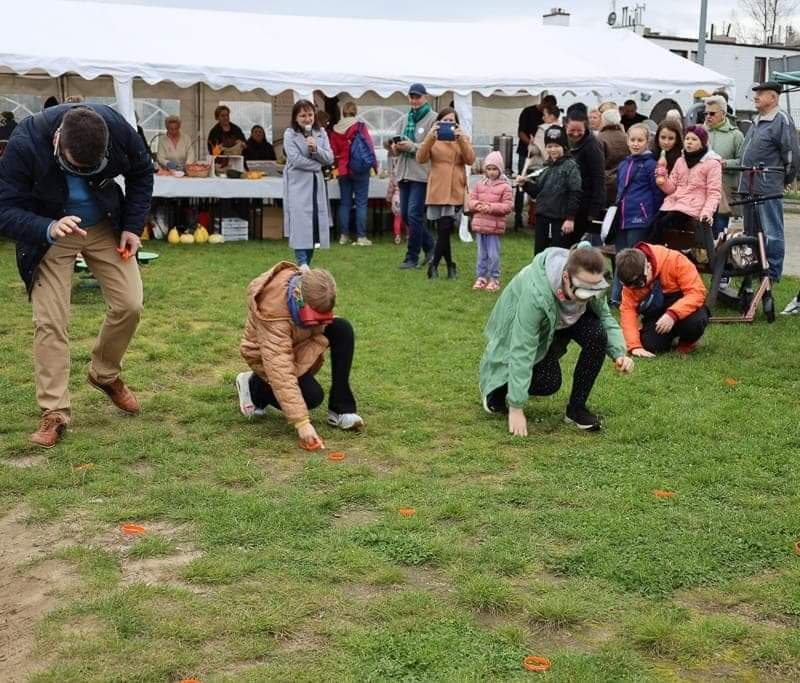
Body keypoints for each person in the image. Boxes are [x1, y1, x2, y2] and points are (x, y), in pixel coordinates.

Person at [0, 103, 153, 447]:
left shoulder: (116, 127)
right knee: (51, 320)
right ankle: (54, 411)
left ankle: (104, 373)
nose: (81, 173)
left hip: (102, 225)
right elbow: (4, 208)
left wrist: (131, 225)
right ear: (57, 141)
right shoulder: (25, 142)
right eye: (73, 166)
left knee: (130, 303)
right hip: (50, 230)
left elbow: (142, 172)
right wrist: (49, 227)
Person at [479, 242, 633, 434]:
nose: (589, 297)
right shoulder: (535, 294)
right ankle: (500, 389)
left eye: (594, 290)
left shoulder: (591, 280)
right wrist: (516, 407)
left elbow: (605, 317)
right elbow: (522, 347)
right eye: (583, 290)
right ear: (566, 277)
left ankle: (576, 409)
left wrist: (619, 353)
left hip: (564, 319)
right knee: (548, 382)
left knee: (597, 335)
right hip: (530, 322)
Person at [236, 261, 363, 449]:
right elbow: (280, 370)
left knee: (342, 329)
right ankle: (253, 387)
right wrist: (301, 423)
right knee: (312, 397)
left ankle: (341, 409)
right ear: (297, 296)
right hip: (265, 356)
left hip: (298, 342)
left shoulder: (307, 289)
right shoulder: (273, 314)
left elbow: (322, 323)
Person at [738, 81, 800, 282]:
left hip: (768, 186)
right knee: (751, 232)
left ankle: (772, 275)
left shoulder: (781, 119)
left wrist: (785, 178)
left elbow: (791, 153)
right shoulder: (757, 119)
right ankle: (753, 271)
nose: (756, 97)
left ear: (773, 98)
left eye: (761, 93)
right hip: (749, 185)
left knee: (772, 233)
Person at [616, 243, 709, 356]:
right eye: (628, 285)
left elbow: (697, 292)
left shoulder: (676, 260)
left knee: (696, 321)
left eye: (638, 283)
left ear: (648, 267)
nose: (634, 288)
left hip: (683, 309)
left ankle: (687, 343)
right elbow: (627, 311)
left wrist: (672, 314)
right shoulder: (631, 281)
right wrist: (634, 346)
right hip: (657, 314)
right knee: (650, 345)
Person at [416, 107, 476, 279]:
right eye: (445, 121)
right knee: (443, 230)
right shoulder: (433, 138)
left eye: (451, 121)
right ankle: (449, 265)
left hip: (455, 187)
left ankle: (434, 265)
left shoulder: (462, 138)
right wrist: (430, 136)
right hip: (438, 187)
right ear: (438, 122)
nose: (448, 124)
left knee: (445, 227)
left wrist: (461, 139)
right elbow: (420, 158)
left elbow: (470, 159)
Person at [609, 124, 663, 305]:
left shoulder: (650, 165)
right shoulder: (624, 164)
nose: (636, 144)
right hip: (622, 218)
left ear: (647, 142)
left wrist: (650, 214)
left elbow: (657, 193)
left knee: (634, 259)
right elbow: (619, 189)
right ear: (627, 141)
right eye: (632, 140)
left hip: (639, 218)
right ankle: (616, 297)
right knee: (620, 257)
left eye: (640, 140)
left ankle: (635, 296)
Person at [386, 83, 437, 269]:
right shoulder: (404, 118)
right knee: (406, 215)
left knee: (414, 215)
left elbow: (434, 148)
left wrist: (413, 146)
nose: (414, 101)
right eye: (411, 97)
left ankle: (412, 257)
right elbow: (396, 140)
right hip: (403, 172)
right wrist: (395, 147)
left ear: (425, 97)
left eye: (417, 97)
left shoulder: (433, 119)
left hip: (421, 173)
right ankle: (431, 247)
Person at [648, 125, 721, 245]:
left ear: (702, 143)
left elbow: (714, 193)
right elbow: (671, 188)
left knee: (662, 226)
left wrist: (707, 212)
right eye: (687, 139)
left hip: (693, 206)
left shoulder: (712, 163)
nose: (689, 142)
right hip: (675, 203)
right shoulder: (680, 161)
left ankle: (654, 256)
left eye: (694, 139)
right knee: (653, 225)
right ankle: (652, 254)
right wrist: (662, 176)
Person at [282, 100, 333, 268]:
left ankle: (306, 263)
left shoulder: (321, 133)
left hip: (316, 185)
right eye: (302, 115)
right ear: (296, 118)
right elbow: (295, 159)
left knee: (314, 222)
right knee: (300, 221)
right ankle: (302, 261)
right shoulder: (289, 134)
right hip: (297, 183)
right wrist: (318, 166)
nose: (307, 118)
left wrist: (316, 149)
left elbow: (329, 158)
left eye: (310, 114)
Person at [517, 125, 582, 254]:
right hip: (542, 218)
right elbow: (537, 192)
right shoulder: (546, 167)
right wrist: (524, 184)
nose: (553, 150)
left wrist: (570, 219)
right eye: (549, 146)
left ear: (564, 146)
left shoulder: (571, 166)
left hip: (559, 220)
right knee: (539, 256)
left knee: (557, 257)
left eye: (557, 146)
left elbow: (575, 193)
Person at [329, 101, 377, 246]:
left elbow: (334, 152)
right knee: (361, 203)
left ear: (343, 112)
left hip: (343, 169)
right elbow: (369, 147)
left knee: (345, 203)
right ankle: (361, 236)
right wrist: (374, 166)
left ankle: (344, 236)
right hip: (360, 168)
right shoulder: (360, 127)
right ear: (355, 111)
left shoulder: (335, 130)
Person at [469, 150, 513, 291]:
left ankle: (494, 278)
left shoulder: (505, 186)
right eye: (489, 169)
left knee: (493, 254)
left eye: (494, 169)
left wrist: (491, 207)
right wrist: (477, 205)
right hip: (480, 225)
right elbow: (471, 200)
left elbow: (508, 206)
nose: (492, 172)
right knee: (481, 254)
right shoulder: (479, 184)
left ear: (499, 169)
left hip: (494, 226)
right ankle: (481, 276)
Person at [704, 95, 744, 238]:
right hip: (701, 194)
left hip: (724, 195)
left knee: (720, 234)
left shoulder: (736, 135)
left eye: (712, 113)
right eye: (706, 113)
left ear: (723, 113)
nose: (708, 116)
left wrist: (725, 163)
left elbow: (743, 161)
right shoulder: (700, 133)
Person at [565, 108, 606, 245]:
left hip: (584, 204)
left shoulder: (593, 146)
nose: (576, 134)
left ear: (586, 126)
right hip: (567, 201)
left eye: (579, 130)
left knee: (574, 244)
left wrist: (594, 210)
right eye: (572, 130)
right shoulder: (564, 142)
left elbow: (599, 178)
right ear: (566, 125)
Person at [514, 96, 553, 228]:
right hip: (525, 153)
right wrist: (531, 143)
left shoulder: (549, 123)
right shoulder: (528, 112)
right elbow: (521, 132)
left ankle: (536, 218)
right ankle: (518, 215)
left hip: (541, 157)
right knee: (521, 182)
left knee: (540, 185)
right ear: (542, 103)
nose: (543, 116)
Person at [597, 108, 629, 205]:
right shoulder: (627, 137)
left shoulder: (600, 138)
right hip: (625, 181)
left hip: (606, 184)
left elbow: (598, 165)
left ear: (604, 121)